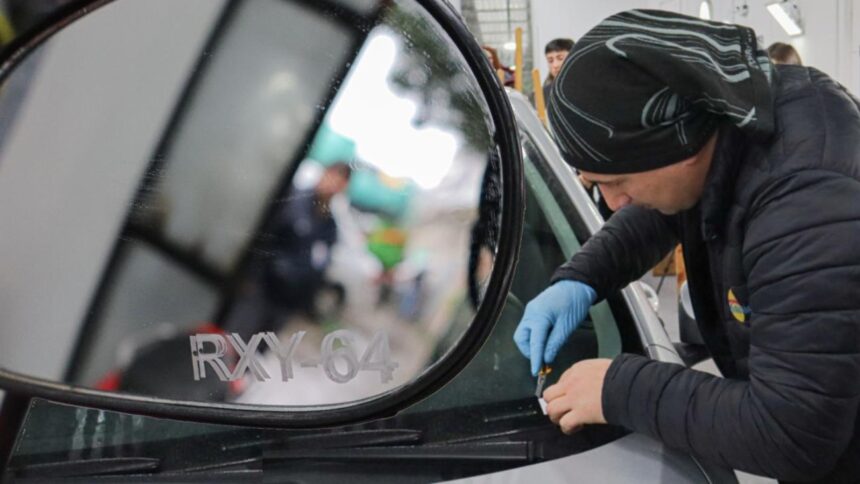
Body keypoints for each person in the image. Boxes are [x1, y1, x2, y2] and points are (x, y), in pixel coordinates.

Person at [513, 9, 860, 483]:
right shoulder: (730, 119)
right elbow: (666, 207)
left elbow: (792, 433)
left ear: (682, 149)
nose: (613, 204)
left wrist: (620, 388)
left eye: (617, 181)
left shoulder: (807, 205)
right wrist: (581, 278)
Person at [542, 38, 575, 103]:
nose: (555, 65)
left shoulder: (587, 88)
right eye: (550, 60)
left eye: (560, 58)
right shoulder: (542, 94)